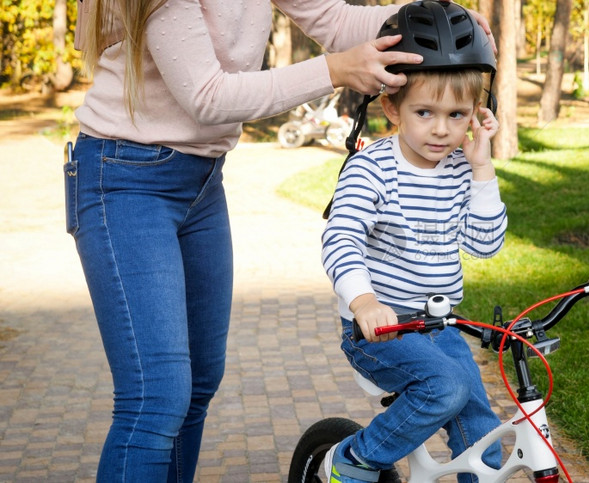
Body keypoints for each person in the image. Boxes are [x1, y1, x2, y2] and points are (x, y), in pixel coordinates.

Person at [66, 0, 493, 481]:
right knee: (157, 396)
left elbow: (334, 20)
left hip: (201, 180)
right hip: (125, 177)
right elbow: (207, 95)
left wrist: (437, 18)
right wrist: (334, 70)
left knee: (198, 385)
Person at [320, 2, 506, 482]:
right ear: (392, 107)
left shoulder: (463, 169)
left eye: (457, 114)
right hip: (379, 331)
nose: (442, 129)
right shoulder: (374, 168)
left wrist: (483, 167)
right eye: (425, 112)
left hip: (439, 328)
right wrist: (363, 302)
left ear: (476, 115)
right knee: (444, 389)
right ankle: (355, 459)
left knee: (482, 429)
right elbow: (341, 238)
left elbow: (485, 244)